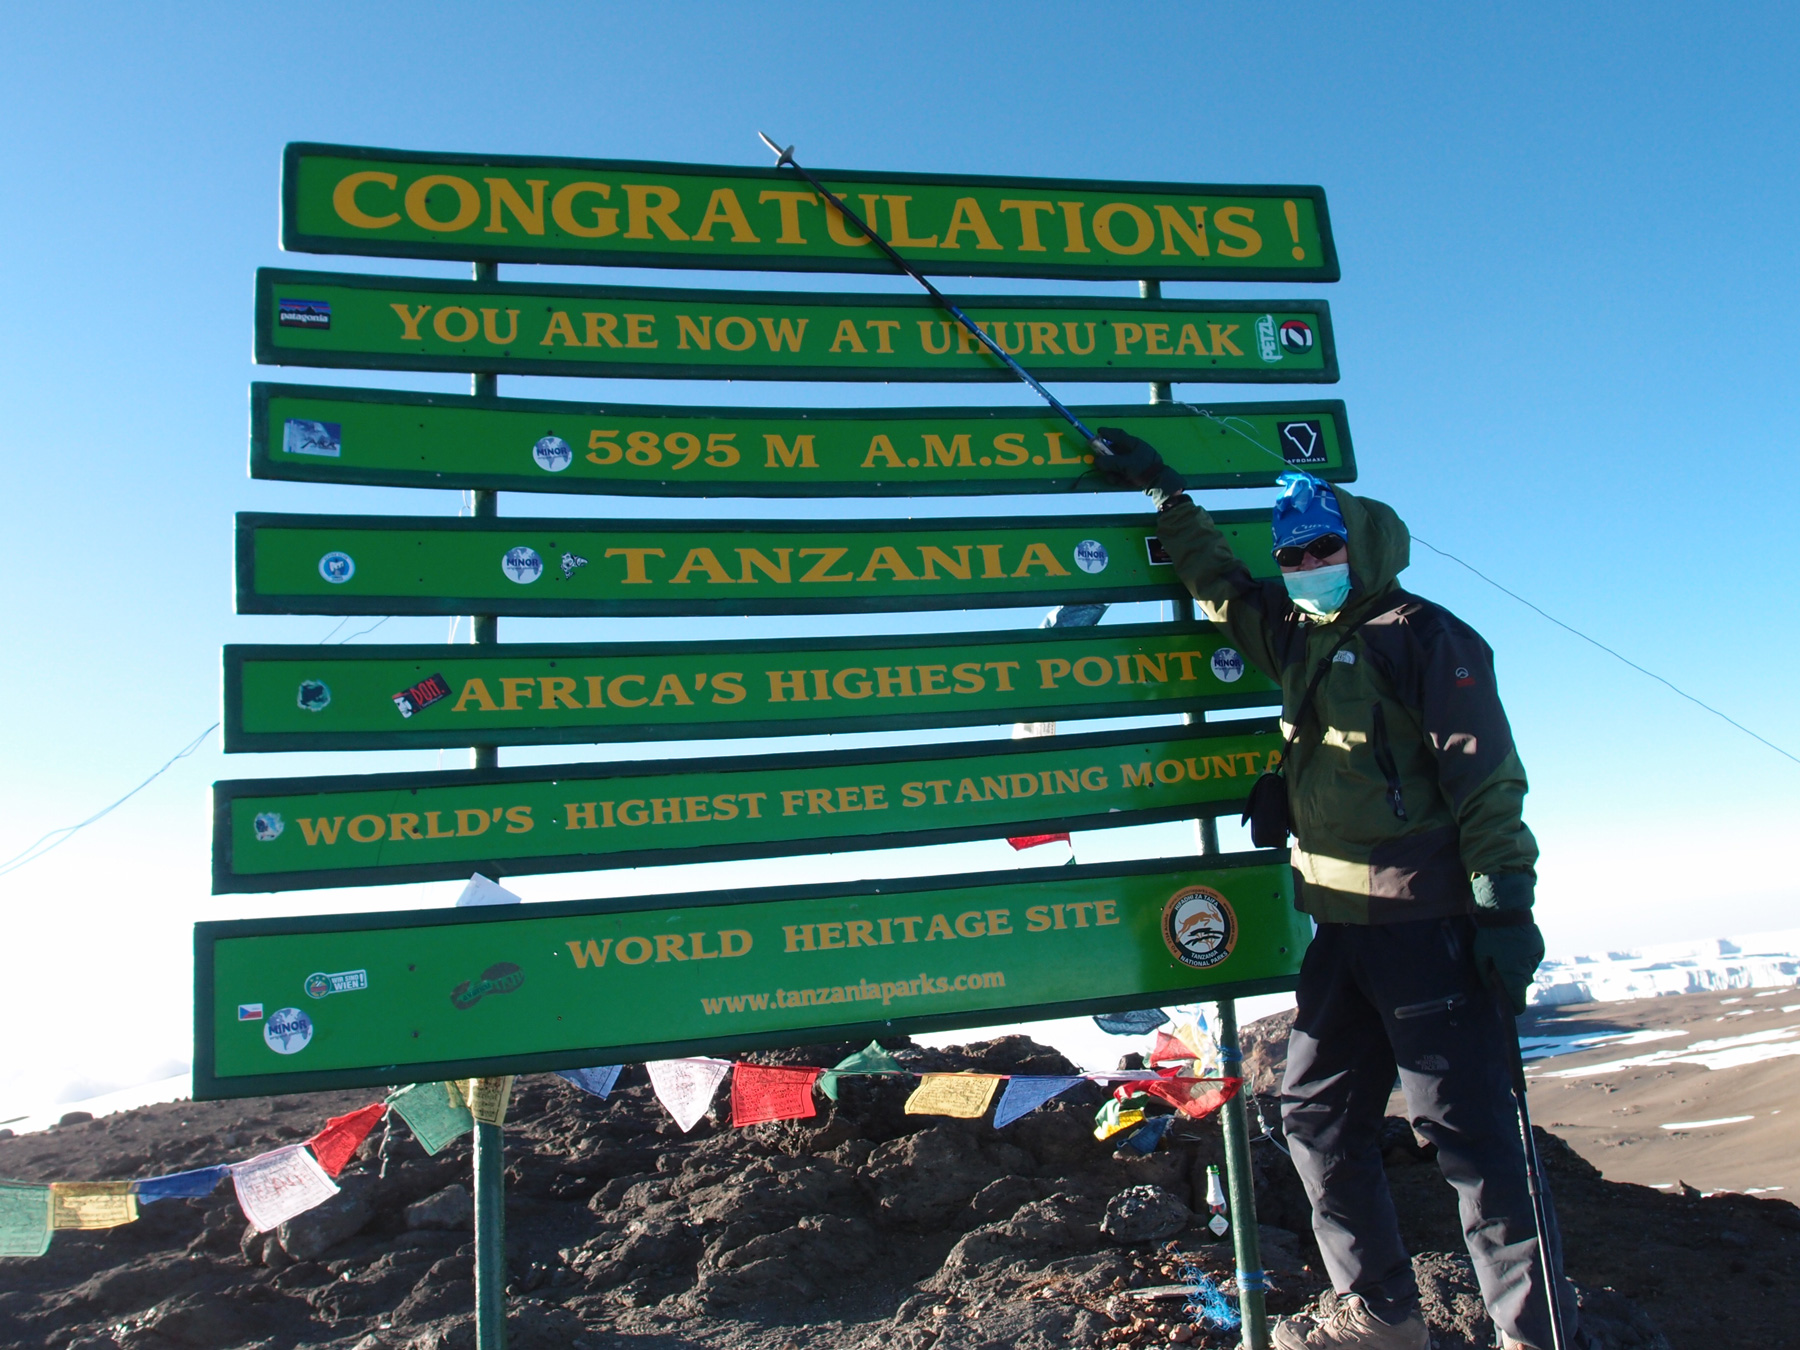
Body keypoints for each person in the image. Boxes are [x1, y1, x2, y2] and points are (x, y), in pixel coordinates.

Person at [1095, 431, 1583, 1350]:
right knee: (1315, 1118)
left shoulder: (1425, 637)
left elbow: (1487, 781)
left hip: (1428, 925)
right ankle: (1385, 1316)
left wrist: (1506, 905)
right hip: (1340, 933)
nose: (1306, 567)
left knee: (1473, 1146)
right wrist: (1166, 494)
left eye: (1323, 549)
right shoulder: (1298, 637)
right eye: (1294, 554)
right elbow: (1221, 589)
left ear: (1361, 547)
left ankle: (1533, 1334)